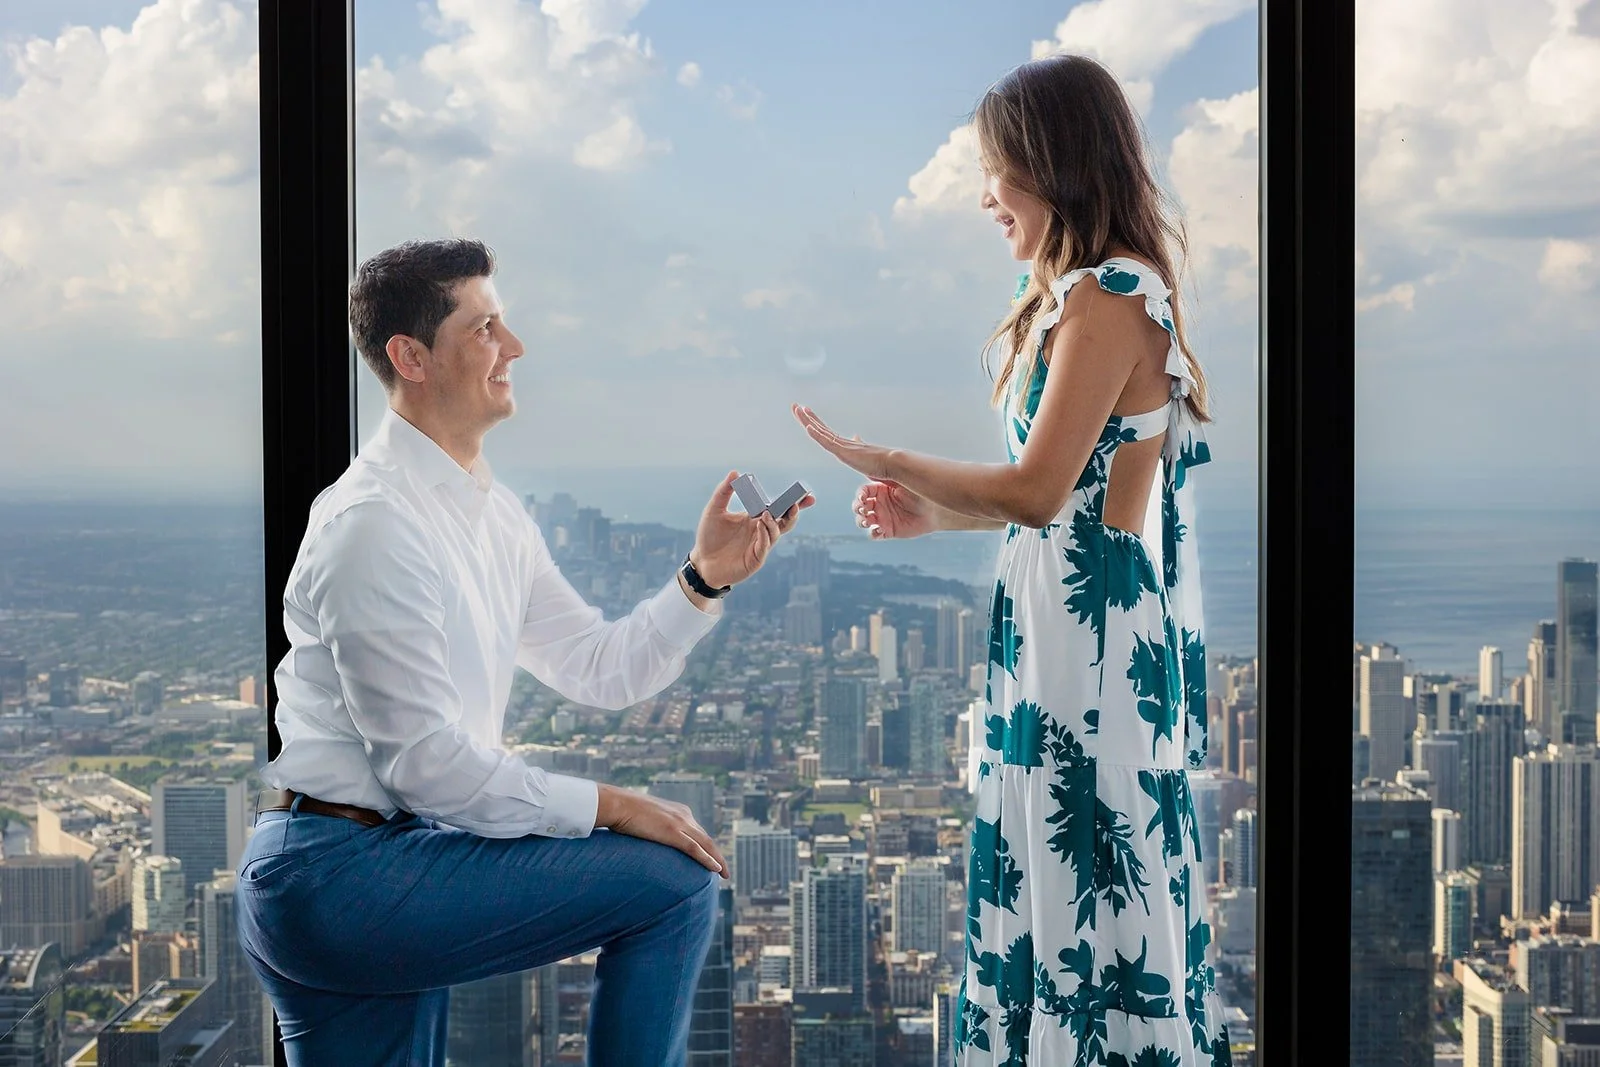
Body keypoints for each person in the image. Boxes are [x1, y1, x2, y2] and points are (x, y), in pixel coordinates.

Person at [236, 237, 812, 1066]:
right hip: (340, 873)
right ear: (412, 356)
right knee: (673, 888)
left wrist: (703, 579)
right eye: (486, 328)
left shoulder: (493, 515)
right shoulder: (373, 522)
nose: (514, 348)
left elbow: (599, 664)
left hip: (387, 862)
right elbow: (426, 766)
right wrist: (616, 805)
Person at [794, 55, 1231, 1066]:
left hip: (1090, 656)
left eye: (998, 170)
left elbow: (1040, 492)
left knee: (1085, 876)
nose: (985, 195)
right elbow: (1079, 504)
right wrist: (932, 519)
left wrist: (888, 454)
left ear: (1054, 164)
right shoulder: (1077, 296)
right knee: (1056, 876)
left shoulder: (1112, 294)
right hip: (1061, 635)